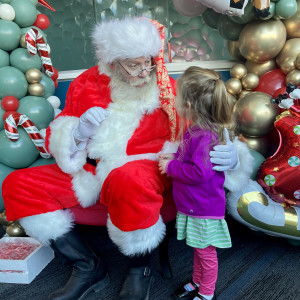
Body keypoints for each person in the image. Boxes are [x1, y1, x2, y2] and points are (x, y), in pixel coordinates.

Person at [2, 18, 249, 300]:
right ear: (112, 62)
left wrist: (231, 156)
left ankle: (139, 269)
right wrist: (78, 134)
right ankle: (85, 266)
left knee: (128, 179)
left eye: (148, 62)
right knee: (17, 183)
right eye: (134, 65)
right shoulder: (84, 83)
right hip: (89, 170)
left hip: (148, 166)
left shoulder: (167, 88)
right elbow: (61, 137)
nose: (145, 72)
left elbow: (206, 128)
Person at [158, 66, 235, 300]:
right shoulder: (197, 129)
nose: (175, 99)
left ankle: (207, 293)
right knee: (198, 249)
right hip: (195, 205)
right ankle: (197, 281)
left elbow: (199, 173)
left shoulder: (205, 135)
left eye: (178, 96)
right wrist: (174, 157)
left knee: (206, 253)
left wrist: (170, 167)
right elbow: (191, 159)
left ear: (189, 105)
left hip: (203, 209)